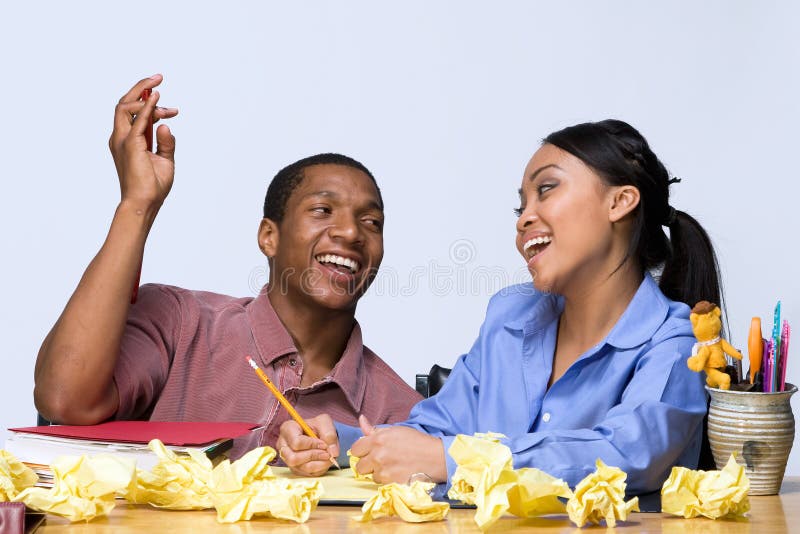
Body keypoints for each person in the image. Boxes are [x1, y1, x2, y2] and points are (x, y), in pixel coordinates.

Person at [277, 119, 720, 495]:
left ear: (619, 201)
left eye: (546, 189)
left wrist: (453, 462)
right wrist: (343, 444)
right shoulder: (510, 319)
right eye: (520, 204)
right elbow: (436, 429)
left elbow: (625, 457)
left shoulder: (678, 345)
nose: (524, 217)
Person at [33, 75, 421, 457]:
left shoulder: (401, 413)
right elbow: (63, 400)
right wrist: (139, 203)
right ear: (269, 237)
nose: (352, 232)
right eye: (323, 210)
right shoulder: (180, 323)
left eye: (372, 223)